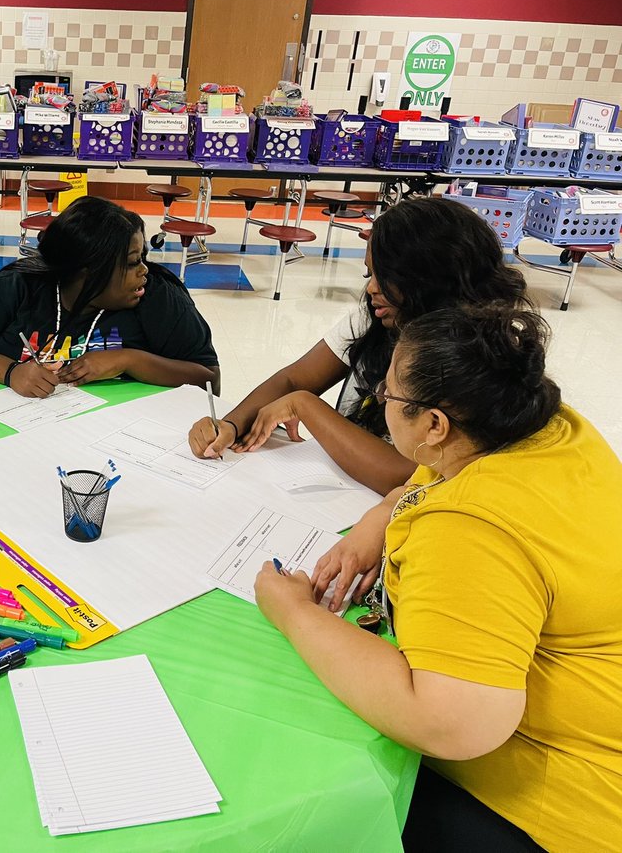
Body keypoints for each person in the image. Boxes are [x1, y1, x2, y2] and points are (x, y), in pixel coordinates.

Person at [254, 305, 622, 852]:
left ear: (433, 424)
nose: (379, 393)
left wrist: (296, 613)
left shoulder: (472, 526)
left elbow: (452, 723)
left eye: (392, 393)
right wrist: (377, 523)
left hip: (568, 801)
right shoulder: (540, 425)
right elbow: (436, 472)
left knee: (302, 793)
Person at [186, 196, 532, 494]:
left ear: (429, 279)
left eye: (386, 277)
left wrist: (306, 407)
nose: (371, 289)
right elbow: (295, 379)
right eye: (370, 274)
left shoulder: (471, 358)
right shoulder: (378, 316)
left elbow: (409, 475)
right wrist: (230, 425)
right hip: (346, 487)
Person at [0, 196, 219, 395]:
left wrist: (130, 360)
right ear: (87, 271)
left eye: (143, 257)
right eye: (132, 263)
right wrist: (11, 373)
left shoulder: (156, 294)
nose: (144, 270)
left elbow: (210, 381)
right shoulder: (24, 284)